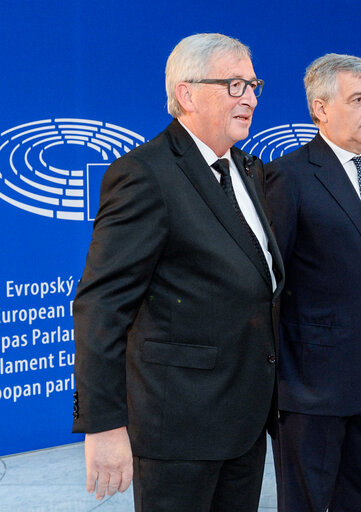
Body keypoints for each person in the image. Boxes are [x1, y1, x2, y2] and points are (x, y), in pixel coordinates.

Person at [72, 33, 283, 511]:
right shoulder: (145, 175)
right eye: (234, 84)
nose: (250, 98)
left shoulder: (249, 169)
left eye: (253, 85)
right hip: (178, 432)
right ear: (187, 94)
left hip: (246, 422)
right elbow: (100, 305)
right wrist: (103, 424)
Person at [264, 53, 361, 512]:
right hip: (310, 387)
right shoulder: (288, 177)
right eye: (358, 99)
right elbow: (268, 286)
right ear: (320, 108)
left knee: (360, 498)